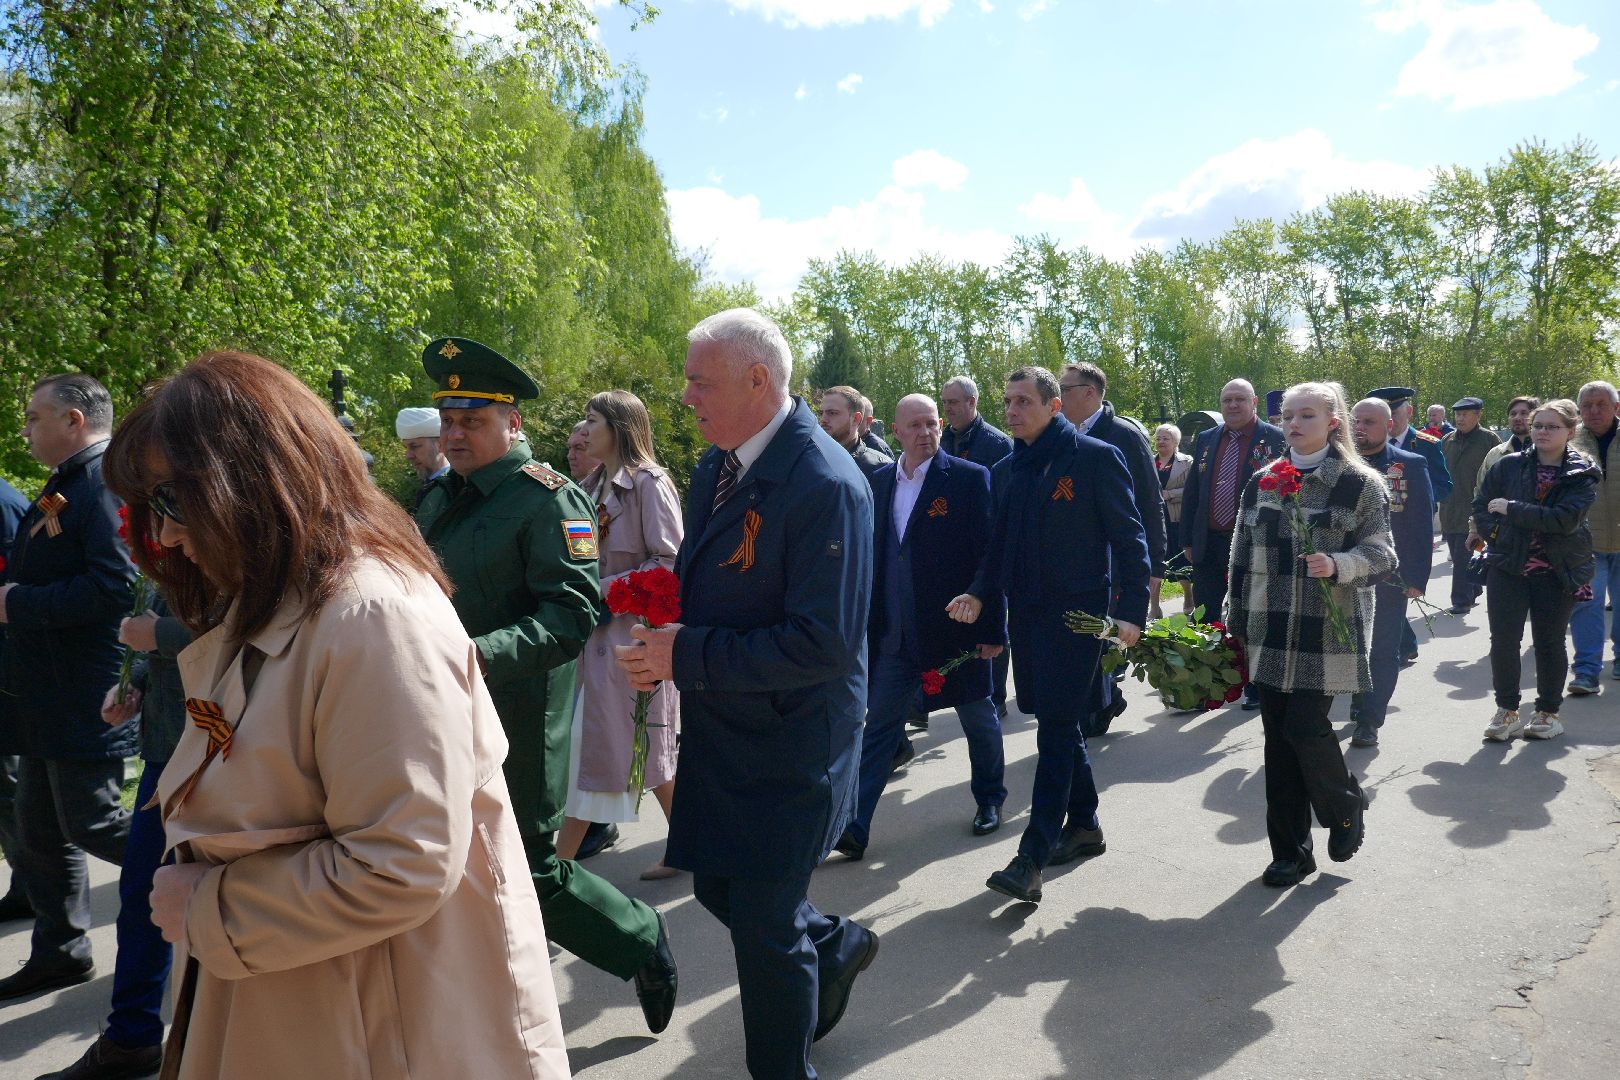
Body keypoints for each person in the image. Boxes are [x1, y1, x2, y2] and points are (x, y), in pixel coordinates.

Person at [100, 350, 569, 1078]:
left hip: (378, 1029)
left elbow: (400, 863)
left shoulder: (371, 615)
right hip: (310, 1000)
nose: (162, 537)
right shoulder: (285, 598)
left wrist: (210, 910)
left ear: (248, 482)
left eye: (170, 502)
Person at [616, 308, 878, 1079]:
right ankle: (833, 943)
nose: (687, 396)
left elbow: (821, 644)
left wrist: (683, 653)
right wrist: (665, 616)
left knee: (764, 930)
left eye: (701, 381)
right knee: (721, 891)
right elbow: (723, 579)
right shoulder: (715, 465)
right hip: (728, 726)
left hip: (794, 737)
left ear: (757, 379)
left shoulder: (827, 484)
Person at [415, 337, 677, 1034]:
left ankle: (638, 938)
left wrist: (476, 656)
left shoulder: (547, 500)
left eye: (472, 420)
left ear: (513, 424)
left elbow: (571, 614)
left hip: (520, 707)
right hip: (441, 704)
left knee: (529, 866)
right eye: (448, 421)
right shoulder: (440, 497)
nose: (456, 434)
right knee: (446, 856)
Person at [947, 365, 1150, 905]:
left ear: (1054, 406)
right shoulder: (1010, 469)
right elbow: (998, 548)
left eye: (1023, 402)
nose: (1011, 411)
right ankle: (1084, 825)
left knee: (1056, 727)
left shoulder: (1094, 459)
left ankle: (1031, 857)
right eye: (1007, 401)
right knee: (1054, 719)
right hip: (1028, 617)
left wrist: (1133, 613)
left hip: (1078, 618)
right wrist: (978, 593)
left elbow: (1131, 541)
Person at [0, 374, 136, 1003]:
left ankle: (211, 885)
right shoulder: (69, 483)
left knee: (93, 822)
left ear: (75, 420)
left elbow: (114, 588)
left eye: (35, 417)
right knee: (36, 830)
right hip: (48, 694)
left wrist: (18, 604)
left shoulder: (103, 484)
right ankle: (61, 950)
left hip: (86, 692)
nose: (25, 428)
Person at [1227, 382, 1395, 887]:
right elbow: (1240, 553)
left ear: (1333, 422)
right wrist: (1232, 622)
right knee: (1277, 742)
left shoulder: (1360, 484)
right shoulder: (1262, 481)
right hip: (1267, 626)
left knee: (1304, 727)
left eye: (1307, 415)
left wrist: (1339, 563)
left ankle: (1345, 805)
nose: (1294, 424)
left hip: (1325, 631)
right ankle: (1290, 852)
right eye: (1287, 417)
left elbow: (1383, 555)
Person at [836, 393, 1006, 859]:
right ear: (895, 432)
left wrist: (992, 629)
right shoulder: (877, 480)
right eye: (915, 425)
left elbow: (990, 557)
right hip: (894, 636)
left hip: (954, 634)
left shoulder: (969, 479)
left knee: (979, 720)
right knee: (877, 731)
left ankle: (990, 799)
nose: (926, 432)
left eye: (932, 423)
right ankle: (856, 825)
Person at [43, 595, 192, 1079]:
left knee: (217, 899)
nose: (165, 535)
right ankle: (133, 1038)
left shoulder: (235, 535)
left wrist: (161, 636)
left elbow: (254, 629)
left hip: (219, 750)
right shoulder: (172, 547)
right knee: (141, 895)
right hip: (166, 749)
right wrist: (136, 686)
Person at [556, 390, 684, 882]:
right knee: (632, 747)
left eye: (592, 420)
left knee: (608, 747)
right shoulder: (586, 486)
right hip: (593, 639)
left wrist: (596, 590)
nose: (583, 430)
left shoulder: (651, 484)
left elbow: (668, 562)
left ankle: (554, 874)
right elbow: (581, 557)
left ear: (620, 426)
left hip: (635, 639)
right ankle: (690, 844)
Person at [1473, 399, 1599, 740]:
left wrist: (1512, 510)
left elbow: (1564, 520)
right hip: (1508, 566)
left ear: (1571, 432)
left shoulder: (1581, 472)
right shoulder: (1509, 465)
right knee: (1503, 641)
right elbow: (1482, 506)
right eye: (1538, 425)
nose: (1542, 432)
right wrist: (1497, 534)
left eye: (1552, 427)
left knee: (1549, 642)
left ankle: (1547, 712)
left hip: (1556, 570)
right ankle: (1507, 710)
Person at [1058, 362, 1164, 735]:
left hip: (1119, 559)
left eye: (1065, 388)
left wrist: (1155, 564)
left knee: (1105, 636)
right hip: (1080, 559)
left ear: (1090, 392)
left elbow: (1150, 503)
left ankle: (1101, 703)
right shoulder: (1061, 435)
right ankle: (1102, 702)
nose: (1059, 395)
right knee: (1090, 638)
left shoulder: (1123, 436)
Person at [1179, 379, 1286, 709]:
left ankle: (1256, 685)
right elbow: (1193, 492)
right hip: (1209, 541)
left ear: (1254, 401)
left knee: (1253, 614)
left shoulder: (1275, 438)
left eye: (1240, 399)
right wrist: (1187, 538)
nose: (1233, 405)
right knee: (1206, 614)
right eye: (1227, 400)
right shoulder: (1208, 439)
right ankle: (1207, 687)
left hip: (1254, 542)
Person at [1349, 398, 1433, 748]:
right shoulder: (1339, 463)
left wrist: (1416, 579)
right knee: (1349, 646)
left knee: (1382, 649)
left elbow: (1420, 525)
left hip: (1388, 576)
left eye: (1369, 421)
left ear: (1389, 425)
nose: (1360, 428)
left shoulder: (1409, 465)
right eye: (1356, 421)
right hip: (1344, 572)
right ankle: (1358, 701)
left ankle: (1370, 720)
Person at [939, 374, 1015, 720]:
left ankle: (995, 697)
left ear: (972, 402)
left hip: (988, 543)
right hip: (951, 546)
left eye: (953, 402)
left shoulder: (997, 444)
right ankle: (962, 690)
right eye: (945, 402)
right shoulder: (940, 440)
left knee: (993, 621)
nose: (948, 409)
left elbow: (1006, 498)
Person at [1369, 386, 1452, 664]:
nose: (1391, 417)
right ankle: (1403, 643)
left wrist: (1421, 499)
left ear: (1408, 412)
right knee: (1384, 593)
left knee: (1394, 590)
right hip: (1375, 533)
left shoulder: (1426, 444)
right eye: (1386, 411)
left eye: (1395, 411)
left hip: (1406, 528)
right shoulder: (1364, 447)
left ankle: (1396, 648)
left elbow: (1444, 484)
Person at [1569, 380, 1618, 695]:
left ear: (1616, 408)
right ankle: (1586, 671)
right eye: (1587, 405)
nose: (1594, 410)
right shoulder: (1570, 442)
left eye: (1601, 404)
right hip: (1586, 544)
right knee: (1587, 605)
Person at [0, 476, 32, 924]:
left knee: (9, 785)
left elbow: (13, 590)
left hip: (8, 668)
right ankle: (27, 886)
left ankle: (30, 884)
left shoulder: (5, 504)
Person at [1439, 397, 1499, 615]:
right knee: (1458, 555)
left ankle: (1461, 600)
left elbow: (1496, 474)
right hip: (1449, 508)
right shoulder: (1447, 440)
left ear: (1478, 415)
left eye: (1465, 414)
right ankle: (1473, 587)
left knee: (1463, 554)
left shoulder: (1489, 440)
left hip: (1474, 508)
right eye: (1457, 414)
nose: (1460, 418)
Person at [1152, 423, 1193, 620]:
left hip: (1177, 519)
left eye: (1165, 438)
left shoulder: (1187, 462)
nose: (1161, 442)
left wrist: (1170, 494)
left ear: (1175, 441)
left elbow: (1194, 490)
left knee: (1180, 559)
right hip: (1155, 519)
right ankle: (1154, 607)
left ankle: (1188, 597)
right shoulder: (1149, 461)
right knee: (1154, 561)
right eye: (1158, 438)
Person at [818, 385, 889, 481]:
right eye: (821, 413)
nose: (823, 419)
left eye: (832, 413)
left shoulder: (881, 469)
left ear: (856, 419)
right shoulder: (810, 459)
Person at [1475, 396, 1537, 498]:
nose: (1517, 418)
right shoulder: (1495, 454)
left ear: (1536, 417)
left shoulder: (1549, 453)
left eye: (1524, 413)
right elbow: (1480, 491)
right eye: (1513, 414)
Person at [396, 405, 450, 510]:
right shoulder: (431, 486)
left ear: (440, 444)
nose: (408, 455)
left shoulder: (455, 487)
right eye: (406, 448)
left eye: (414, 446)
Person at [859, 393, 894, 460]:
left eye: (857, 418)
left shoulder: (878, 448)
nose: (852, 422)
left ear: (869, 421)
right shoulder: (847, 443)